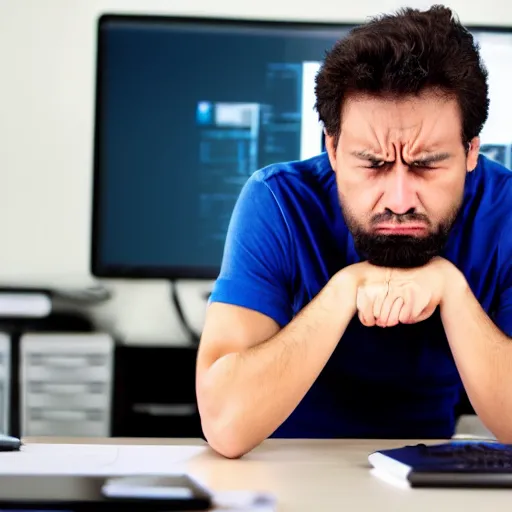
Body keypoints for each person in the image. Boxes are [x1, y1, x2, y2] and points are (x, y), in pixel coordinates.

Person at [195, 5, 512, 458]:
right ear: (333, 148)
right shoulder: (278, 202)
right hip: (282, 472)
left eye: (426, 164)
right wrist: (346, 288)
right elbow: (224, 424)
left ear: (470, 151)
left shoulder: (505, 211)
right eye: (373, 163)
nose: (399, 200)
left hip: (426, 479)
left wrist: (451, 288)